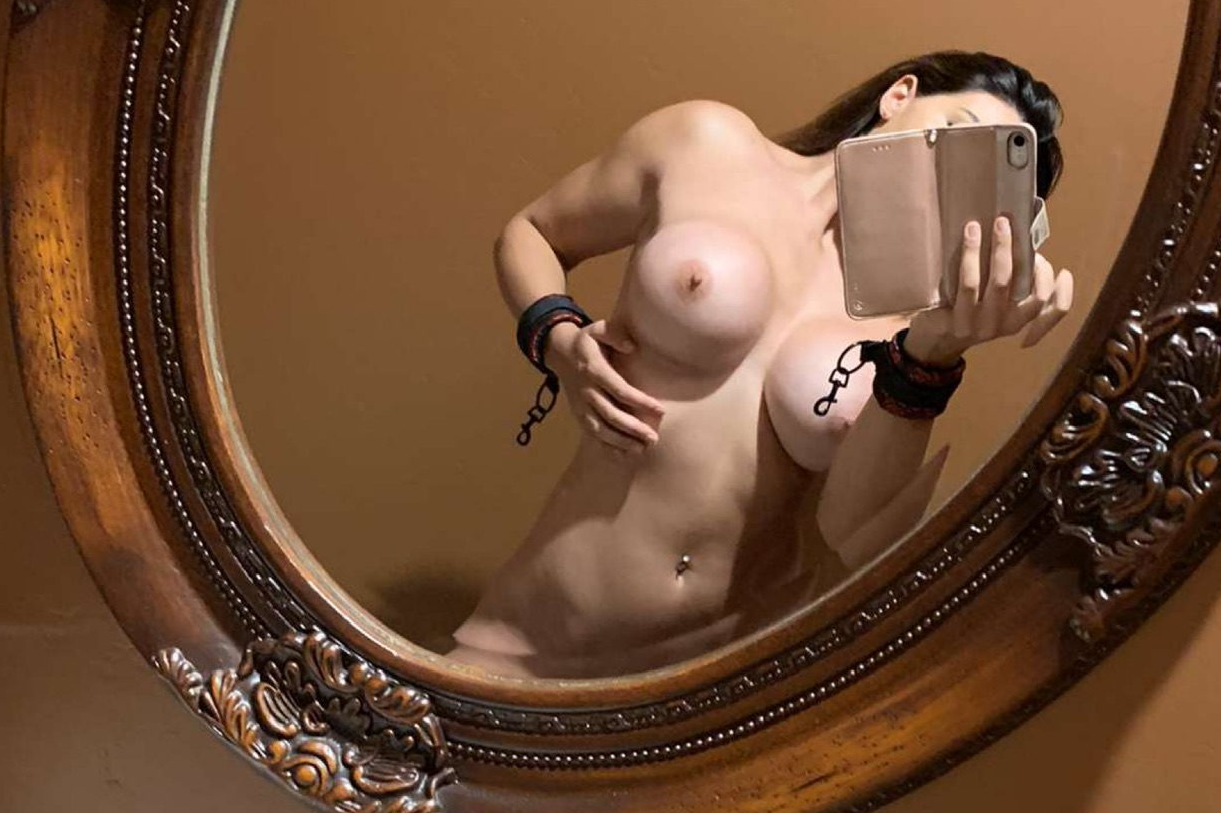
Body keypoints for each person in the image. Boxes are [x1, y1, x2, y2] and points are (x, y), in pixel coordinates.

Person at [448, 52, 1073, 678]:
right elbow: (533, 232)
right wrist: (558, 339)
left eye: (984, 177)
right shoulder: (709, 144)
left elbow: (846, 528)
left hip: (728, 683)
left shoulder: (912, 328)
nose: (952, 172)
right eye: (959, 131)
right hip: (529, 639)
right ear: (899, 96)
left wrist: (934, 353)